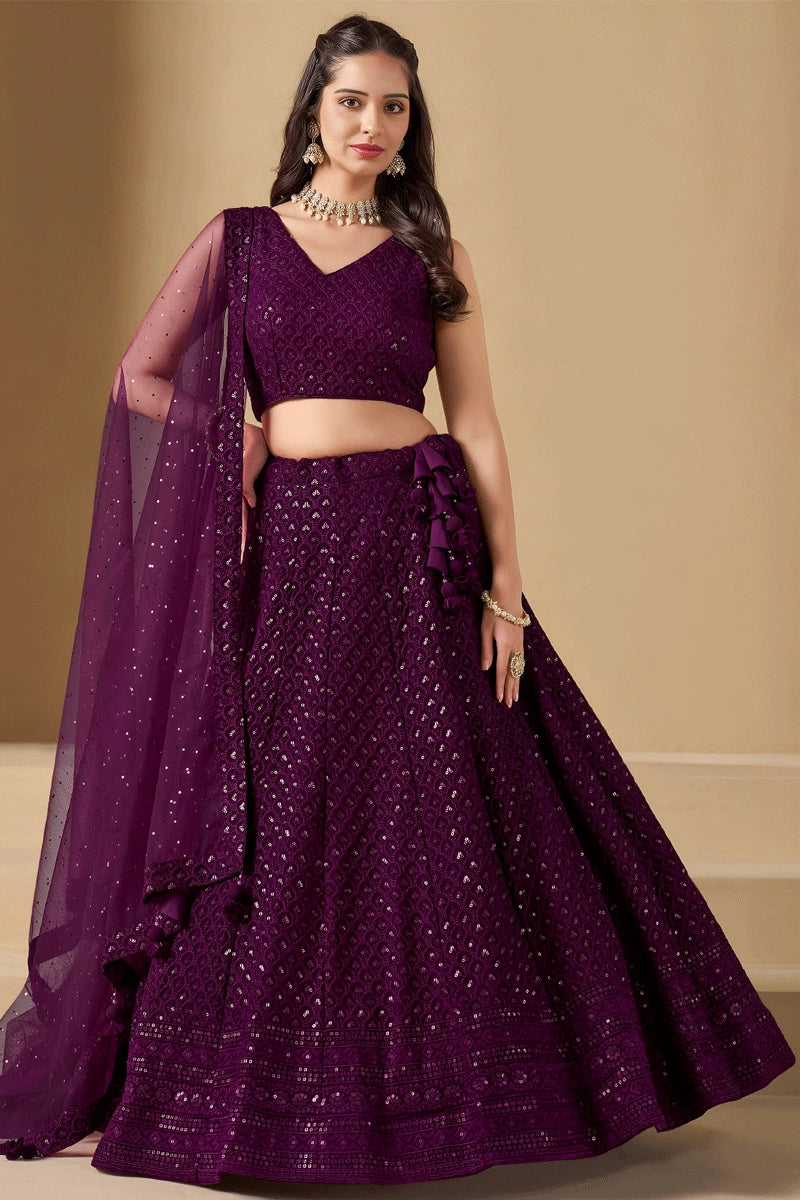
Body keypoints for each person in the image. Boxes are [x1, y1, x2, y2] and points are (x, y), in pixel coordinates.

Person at [0, 13, 794, 1188]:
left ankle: (476, 1093)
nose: (371, 124)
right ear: (311, 112)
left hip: (415, 543)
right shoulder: (241, 240)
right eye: (351, 101)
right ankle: (266, 1097)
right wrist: (236, 435)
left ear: (409, 124)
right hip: (293, 551)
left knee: (453, 808)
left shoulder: (433, 256)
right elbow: (141, 375)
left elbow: (475, 424)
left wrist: (505, 592)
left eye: (393, 106)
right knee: (282, 806)